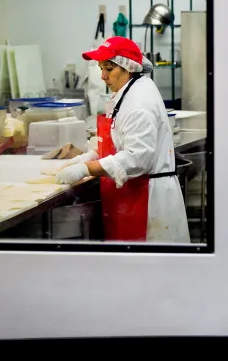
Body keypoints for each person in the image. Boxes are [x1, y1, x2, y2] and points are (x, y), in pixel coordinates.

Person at [54, 37, 191, 243]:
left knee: (149, 269)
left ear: (129, 68)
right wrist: (92, 155)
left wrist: (87, 169)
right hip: (132, 195)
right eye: (101, 68)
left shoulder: (139, 102)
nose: (102, 76)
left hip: (148, 202)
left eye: (109, 69)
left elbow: (138, 159)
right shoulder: (129, 91)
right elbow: (121, 139)